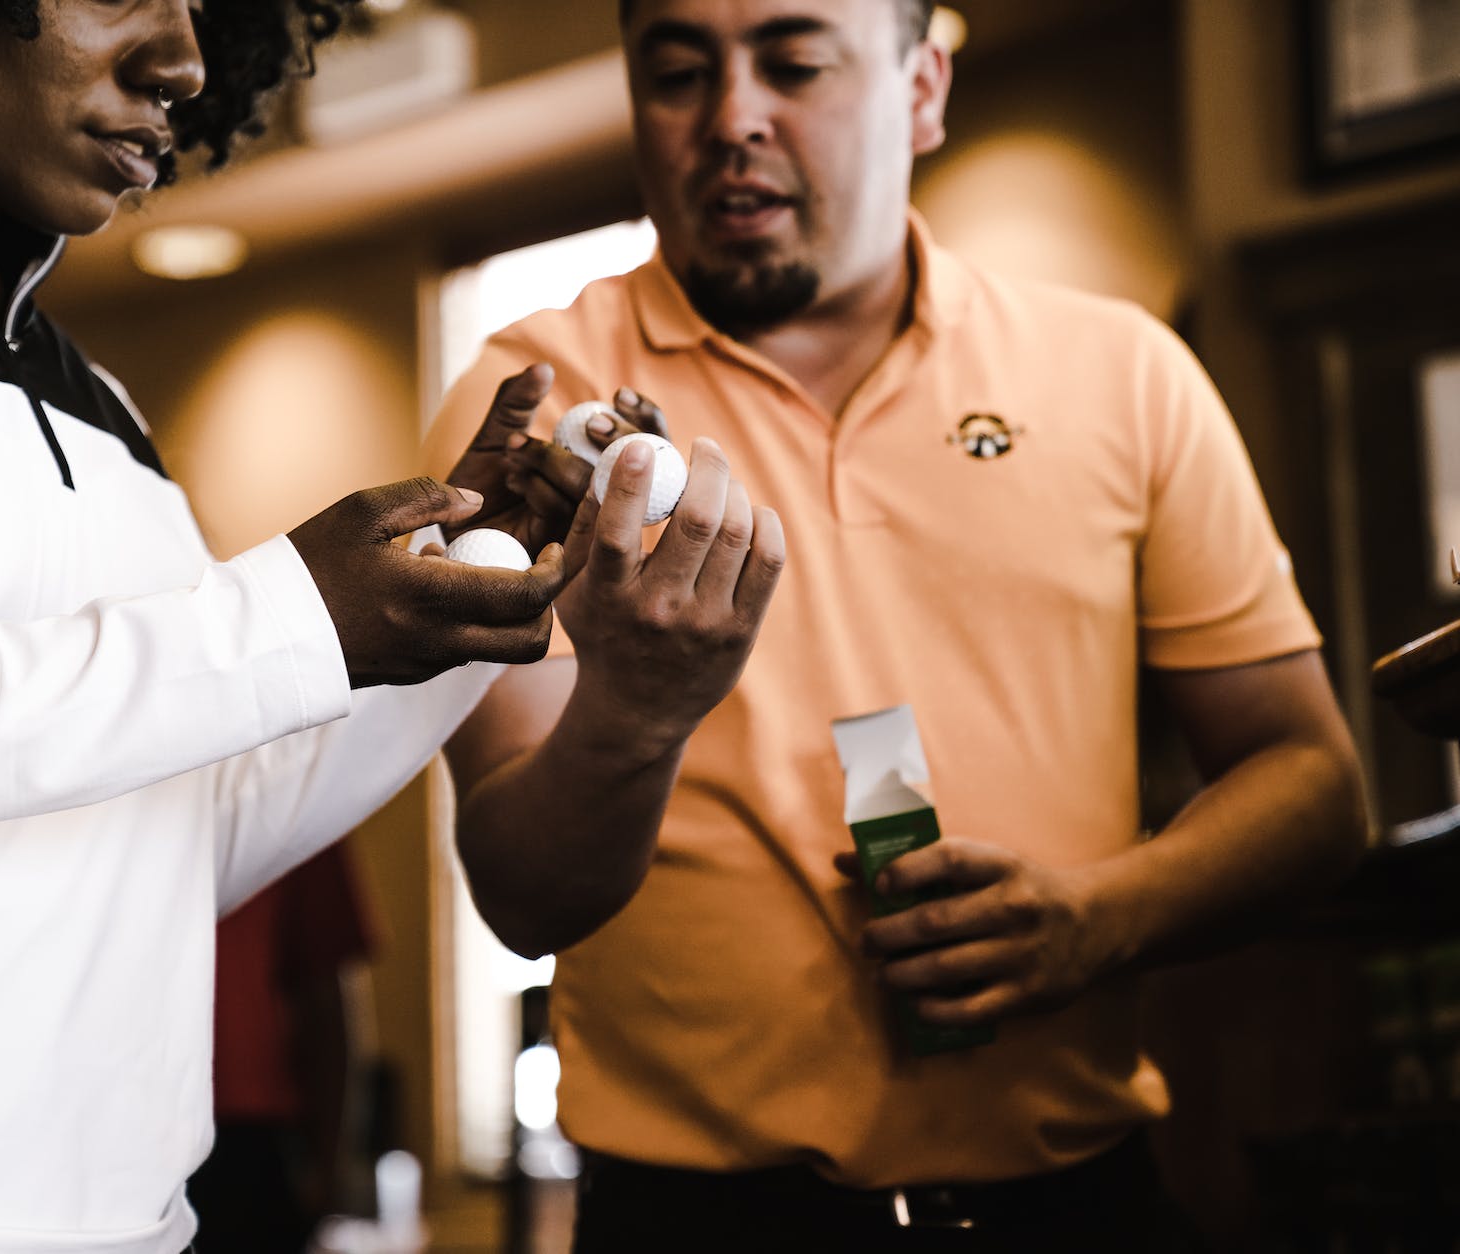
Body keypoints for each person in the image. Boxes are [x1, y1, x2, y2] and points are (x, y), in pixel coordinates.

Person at [0, 2, 656, 1251]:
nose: (184, 62)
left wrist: (486, 560)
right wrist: (283, 617)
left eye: (204, 9)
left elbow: (177, 840)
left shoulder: (95, 398)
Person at [421, 0, 1370, 1248]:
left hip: (1077, 1200)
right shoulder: (538, 413)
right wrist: (637, 707)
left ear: (920, 87)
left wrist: (1098, 919)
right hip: (696, 1221)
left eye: (795, 62)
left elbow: (1311, 786)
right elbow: (523, 899)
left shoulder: (1121, 375)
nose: (731, 119)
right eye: (674, 72)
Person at [188, 842, 378, 1253]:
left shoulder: (297, 805)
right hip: (152, 1128)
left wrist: (330, 1165)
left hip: (251, 1143)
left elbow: (326, 1003)